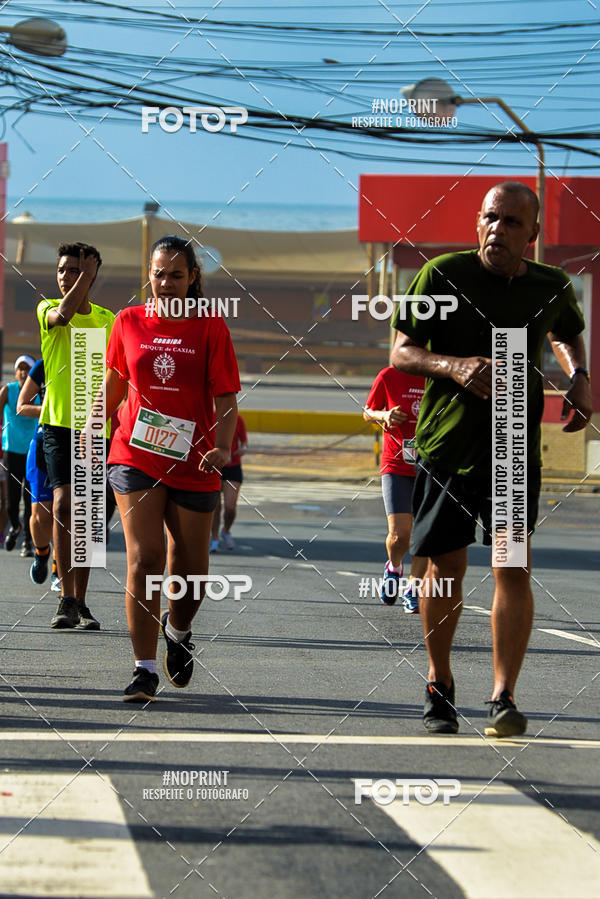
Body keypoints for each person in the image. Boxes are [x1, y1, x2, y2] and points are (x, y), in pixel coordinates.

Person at [390, 181, 593, 737]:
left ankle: (503, 696)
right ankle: (440, 682)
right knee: (444, 570)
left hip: (511, 448)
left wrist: (579, 378)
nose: (495, 230)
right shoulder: (442, 276)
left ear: (531, 234)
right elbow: (402, 351)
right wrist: (453, 367)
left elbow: (568, 334)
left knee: (512, 566)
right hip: (446, 449)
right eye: (488, 218)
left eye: (509, 222)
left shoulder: (550, 286)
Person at [95, 235, 240, 702]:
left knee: (191, 569)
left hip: (195, 458)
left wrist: (220, 446)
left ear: (193, 277)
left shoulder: (211, 327)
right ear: (150, 274)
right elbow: (116, 382)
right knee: (145, 559)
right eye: (159, 274)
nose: (166, 283)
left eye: (177, 275)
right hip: (135, 454)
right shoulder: (128, 321)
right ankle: (142, 669)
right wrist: (92, 426)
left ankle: (177, 631)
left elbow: (225, 398)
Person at [37, 243, 115, 630]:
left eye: (76, 270)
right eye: (64, 270)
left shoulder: (108, 320)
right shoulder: (47, 308)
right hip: (57, 425)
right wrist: (85, 275)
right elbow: (64, 314)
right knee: (65, 504)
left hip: (97, 431)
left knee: (90, 518)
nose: (67, 275)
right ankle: (65, 597)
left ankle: (81, 603)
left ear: (95, 273)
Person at [363, 367, 427, 611]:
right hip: (396, 465)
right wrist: (385, 415)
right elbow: (367, 412)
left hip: (431, 466)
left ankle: (413, 589)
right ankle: (394, 567)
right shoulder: (388, 376)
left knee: (424, 536)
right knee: (400, 535)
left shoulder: (438, 375)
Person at [17, 358, 54, 584]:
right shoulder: (44, 364)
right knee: (40, 515)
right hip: (44, 440)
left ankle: (60, 570)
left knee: (66, 511)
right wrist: (50, 409)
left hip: (79, 441)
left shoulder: (92, 361)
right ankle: (41, 554)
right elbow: (22, 406)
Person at [0, 356, 38, 557]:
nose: (23, 372)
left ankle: (28, 542)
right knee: (11, 500)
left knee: (30, 497)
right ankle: (14, 527)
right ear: (15, 372)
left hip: (32, 450)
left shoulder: (40, 392)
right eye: (20, 369)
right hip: (12, 450)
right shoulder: (8, 390)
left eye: (27, 369)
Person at [210, 413, 247, 552]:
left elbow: (244, 442)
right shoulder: (210, 416)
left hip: (233, 468)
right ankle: (214, 539)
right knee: (215, 508)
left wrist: (243, 449)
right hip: (215, 467)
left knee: (230, 508)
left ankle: (226, 531)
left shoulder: (237, 418)